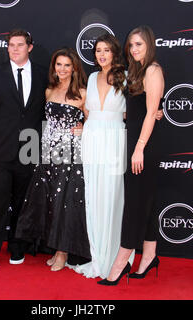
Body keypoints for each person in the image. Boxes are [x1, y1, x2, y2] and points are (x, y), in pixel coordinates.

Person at [98, 25, 165, 285]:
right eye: (131, 45)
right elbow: (140, 111)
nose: (134, 49)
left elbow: (150, 114)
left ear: (149, 44)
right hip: (135, 143)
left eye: (139, 44)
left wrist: (139, 148)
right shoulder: (138, 71)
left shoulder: (153, 70)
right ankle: (149, 257)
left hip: (143, 147)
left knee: (135, 206)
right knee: (146, 205)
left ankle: (120, 263)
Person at [0, 29, 48, 270]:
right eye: (10, 45)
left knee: (22, 203)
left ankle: (17, 247)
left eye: (19, 45)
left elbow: (53, 108)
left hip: (30, 150)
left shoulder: (41, 74)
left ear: (30, 47)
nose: (14, 49)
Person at [15, 48, 91, 272]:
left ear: (74, 68)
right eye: (59, 65)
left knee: (65, 203)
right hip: (48, 152)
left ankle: (62, 252)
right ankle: (52, 246)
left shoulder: (83, 93)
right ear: (54, 67)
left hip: (70, 154)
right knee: (48, 201)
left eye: (67, 65)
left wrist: (83, 127)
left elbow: (95, 120)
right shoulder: (49, 91)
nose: (63, 69)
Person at [68, 34, 134, 279]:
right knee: (94, 198)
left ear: (115, 52)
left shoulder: (127, 78)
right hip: (92, 140)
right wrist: (84, 127)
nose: (102, 54)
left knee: (114, 197)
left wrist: (155, 112)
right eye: (98, 50)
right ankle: (98, 257)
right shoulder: (92, 77)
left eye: (106, 50)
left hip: (115, 140)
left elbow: (134, 112)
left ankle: (116, 257)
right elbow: (88, 113)